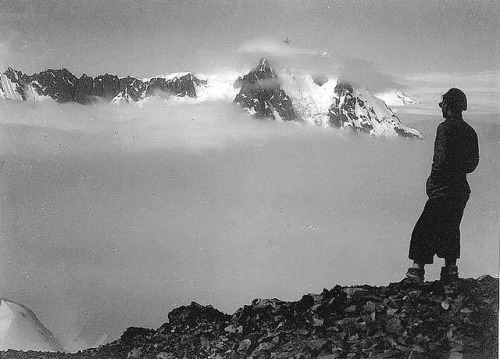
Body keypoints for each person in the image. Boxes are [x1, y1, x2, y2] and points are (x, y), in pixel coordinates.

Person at [405, 88, 479, 284]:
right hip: (461, 188)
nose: (441, 107)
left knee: (424, 228)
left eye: (443, 103)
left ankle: (416, 272)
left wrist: (433, 183)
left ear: (449, 106)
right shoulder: (470, 131)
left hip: (443, 187)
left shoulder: (445, 128)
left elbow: (440, 159)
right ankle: (450, 270)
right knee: (451, 227)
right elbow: (472, 163)